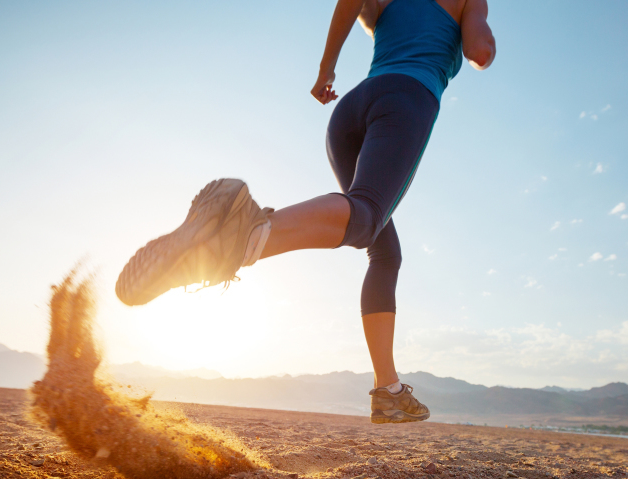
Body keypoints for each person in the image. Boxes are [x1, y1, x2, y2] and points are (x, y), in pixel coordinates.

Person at [116, 0, 496, 424]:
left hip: (350, 111)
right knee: (366, 215)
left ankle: (387, 390)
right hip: (406, 98)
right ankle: (246, 232)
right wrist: (483, 34)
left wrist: (326, 70)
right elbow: (479, 51)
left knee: (385, 250)